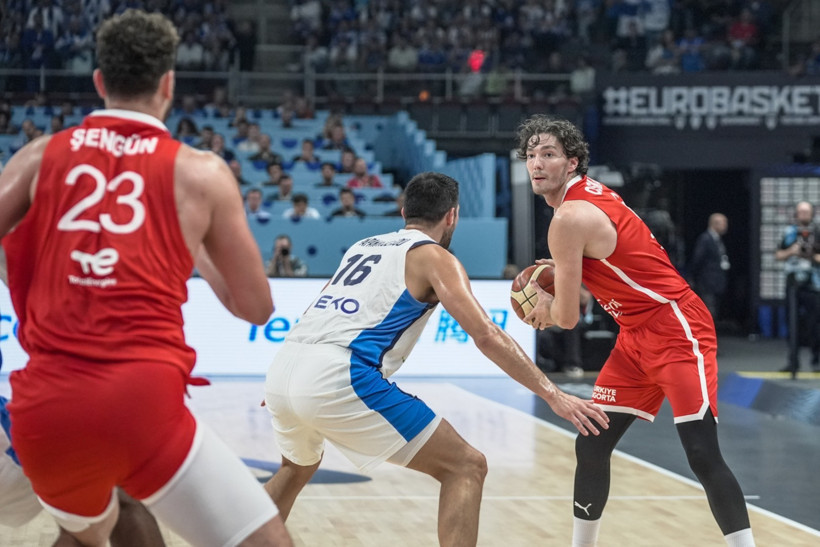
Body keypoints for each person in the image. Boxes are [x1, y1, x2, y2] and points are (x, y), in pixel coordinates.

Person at [0, 10, 290, 546]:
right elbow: (256, 308)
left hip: (44, 414)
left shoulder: (40, 156)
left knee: (92, 532)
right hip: (141, 403)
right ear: (169, 84)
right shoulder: (200, 172)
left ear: (99, 82)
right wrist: (196, 245)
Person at [262, 171, 608, 546]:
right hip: (337, 374)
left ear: (403, 211)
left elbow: (322, 311)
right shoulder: (435, 258)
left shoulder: (362, 246)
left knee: (295, 467)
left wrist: (290, 381)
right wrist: (553, 395)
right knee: (466, 466)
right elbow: (488, 335)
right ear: (452, 216)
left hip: (286, 365)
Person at [517, 115, 754, 547]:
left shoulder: (568, 217)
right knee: (591, 443)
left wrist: (546, 309)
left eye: (548, 154)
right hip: (633, 335)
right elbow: (617, 263)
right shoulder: (586, 199)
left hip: (676, 326)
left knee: (701, 453)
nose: (536, 163)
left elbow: (567, 319)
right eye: (530, 155)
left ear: (572, 163)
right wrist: (567, 276)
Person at [774, 201, 820, 373]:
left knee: (815, 324)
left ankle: (817, 361)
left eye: (806, 211)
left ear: (811, 213)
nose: (804, 214)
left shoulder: (817, 232)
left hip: (813, 285)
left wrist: (811, 256)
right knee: (791, 323)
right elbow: (778, 254)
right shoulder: (788, 232)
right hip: (793, 284)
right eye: (801, 211)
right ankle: (793, 362)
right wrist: (791, 252)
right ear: (796, 213)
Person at [689, 213, 730, 321]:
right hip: (707, 281)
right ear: (715, 224)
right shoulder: (705, 239)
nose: (726, 226)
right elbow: (697, 259)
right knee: (709, 309)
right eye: (723, 223)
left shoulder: (718, 240)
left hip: (716, 281)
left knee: (714, 308)